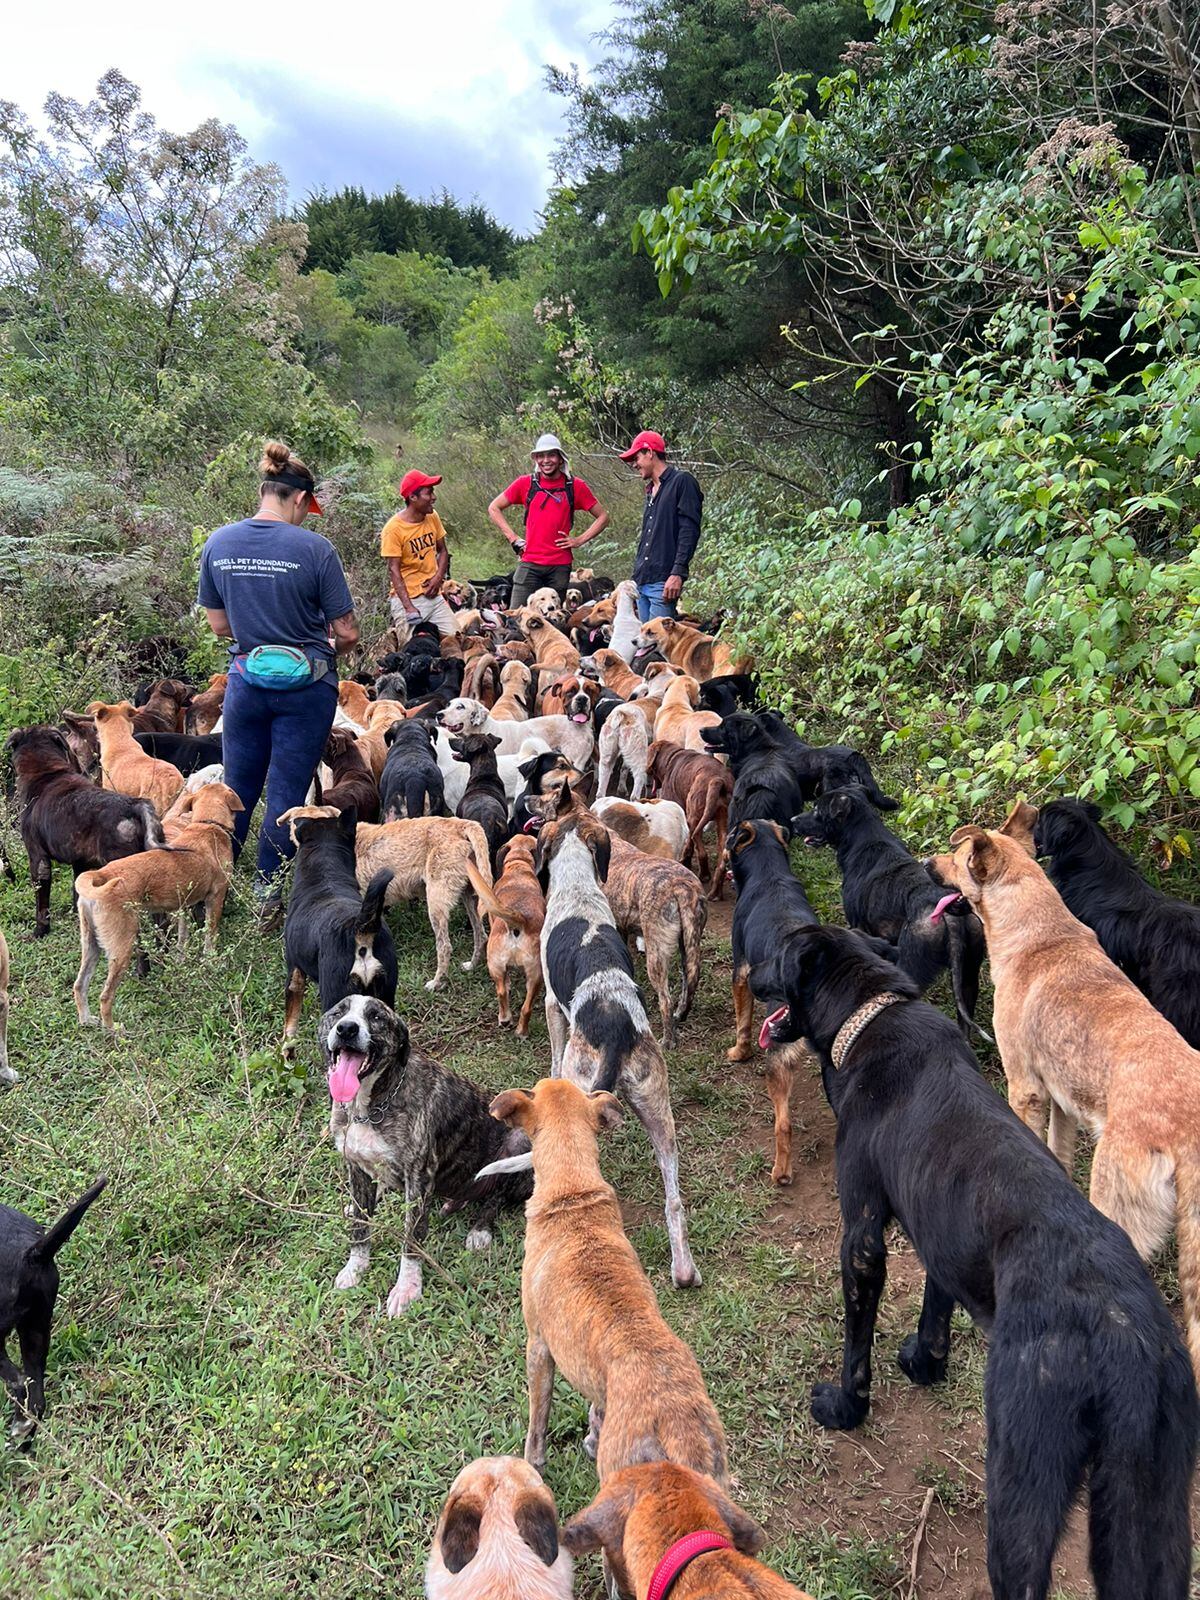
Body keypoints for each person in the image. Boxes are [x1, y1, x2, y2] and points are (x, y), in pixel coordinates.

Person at [198, 441, 358, 923]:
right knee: (287, 793)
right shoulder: (315, 549)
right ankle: (267, 895)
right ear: (299, 499)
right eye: (309, 510)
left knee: (237, 787)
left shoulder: (219, 542)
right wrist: (324, 650)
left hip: (245, 683)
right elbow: (347, 631)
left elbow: (219, 626)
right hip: (306, 691)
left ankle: (214, 884)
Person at [487, 433, 609, 608]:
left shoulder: (574, 486)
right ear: (535, 458)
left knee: (554, 620)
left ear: (560, 459)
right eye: (541, 456)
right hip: (529, 562)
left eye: (551, 455)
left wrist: (578, 540)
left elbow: (603, 517)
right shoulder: (525, 484)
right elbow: (494, 507)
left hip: (559, 566)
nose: (546, 460)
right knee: (517, 617)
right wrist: (513, 538)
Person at [620, 428, 703, 622]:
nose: (634, 465)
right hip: (642, 580)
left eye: (636, 458)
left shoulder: (682, 482)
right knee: (643, 647)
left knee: (658, 648)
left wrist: (677, 573)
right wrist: (635, 580)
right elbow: (648, 538)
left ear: (650, 453)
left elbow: (689, 531)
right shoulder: (650, 491)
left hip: (663, 581)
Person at [380, 470, 457, 636]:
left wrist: (438, 579)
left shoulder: (432, 516)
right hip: (407, 599)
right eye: (429, 493)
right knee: (410, 652)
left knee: (457, 639)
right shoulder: (393, 530)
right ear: (413, 497)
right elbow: (394, 570)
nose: (434, 497)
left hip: (434, 597)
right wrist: (409, 608)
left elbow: (443, 551)